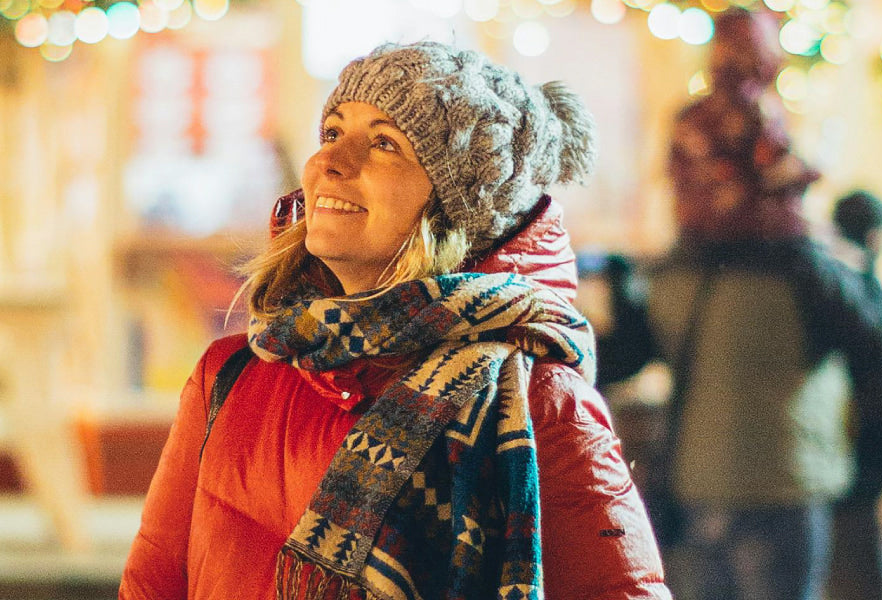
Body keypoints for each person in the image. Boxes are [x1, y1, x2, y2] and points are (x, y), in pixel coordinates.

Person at [119, 41, 670, 600]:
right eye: (332, 133)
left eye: (384, 143)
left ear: (457, 210)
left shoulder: (538, 402)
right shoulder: (232, 373)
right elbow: (151, 583)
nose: (328, 162)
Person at [646, 8, 882, 600]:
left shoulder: (674, 272)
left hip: (698, 481)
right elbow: (876, 343)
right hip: (786, 484)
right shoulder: (809, 274)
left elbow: (635, 350)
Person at [826, 190, 882, 600]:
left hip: (844, 452)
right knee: (856, 564)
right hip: (864, 452)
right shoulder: (872, 298)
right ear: (878, 235)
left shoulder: (831, 287)